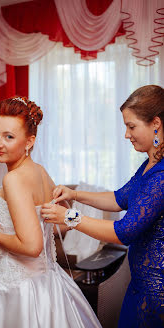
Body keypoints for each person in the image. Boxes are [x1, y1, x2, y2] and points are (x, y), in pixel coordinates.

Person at [0, 96, 101, 328]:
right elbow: (67, 220)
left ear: (29, 141)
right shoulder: (40, 171)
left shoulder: (13, 179)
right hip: (48, 282)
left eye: (9, 137)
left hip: (17, 290)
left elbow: (32, 247)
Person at [42, 85, 164, 328]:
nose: (126, 135)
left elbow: (124, 232)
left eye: (131, 126)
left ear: (155, 123)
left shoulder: (161, 177)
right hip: (141, 284)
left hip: (156, 291)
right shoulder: (150, 164)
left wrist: (69, 217)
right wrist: (75, 193)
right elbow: (119, 199)